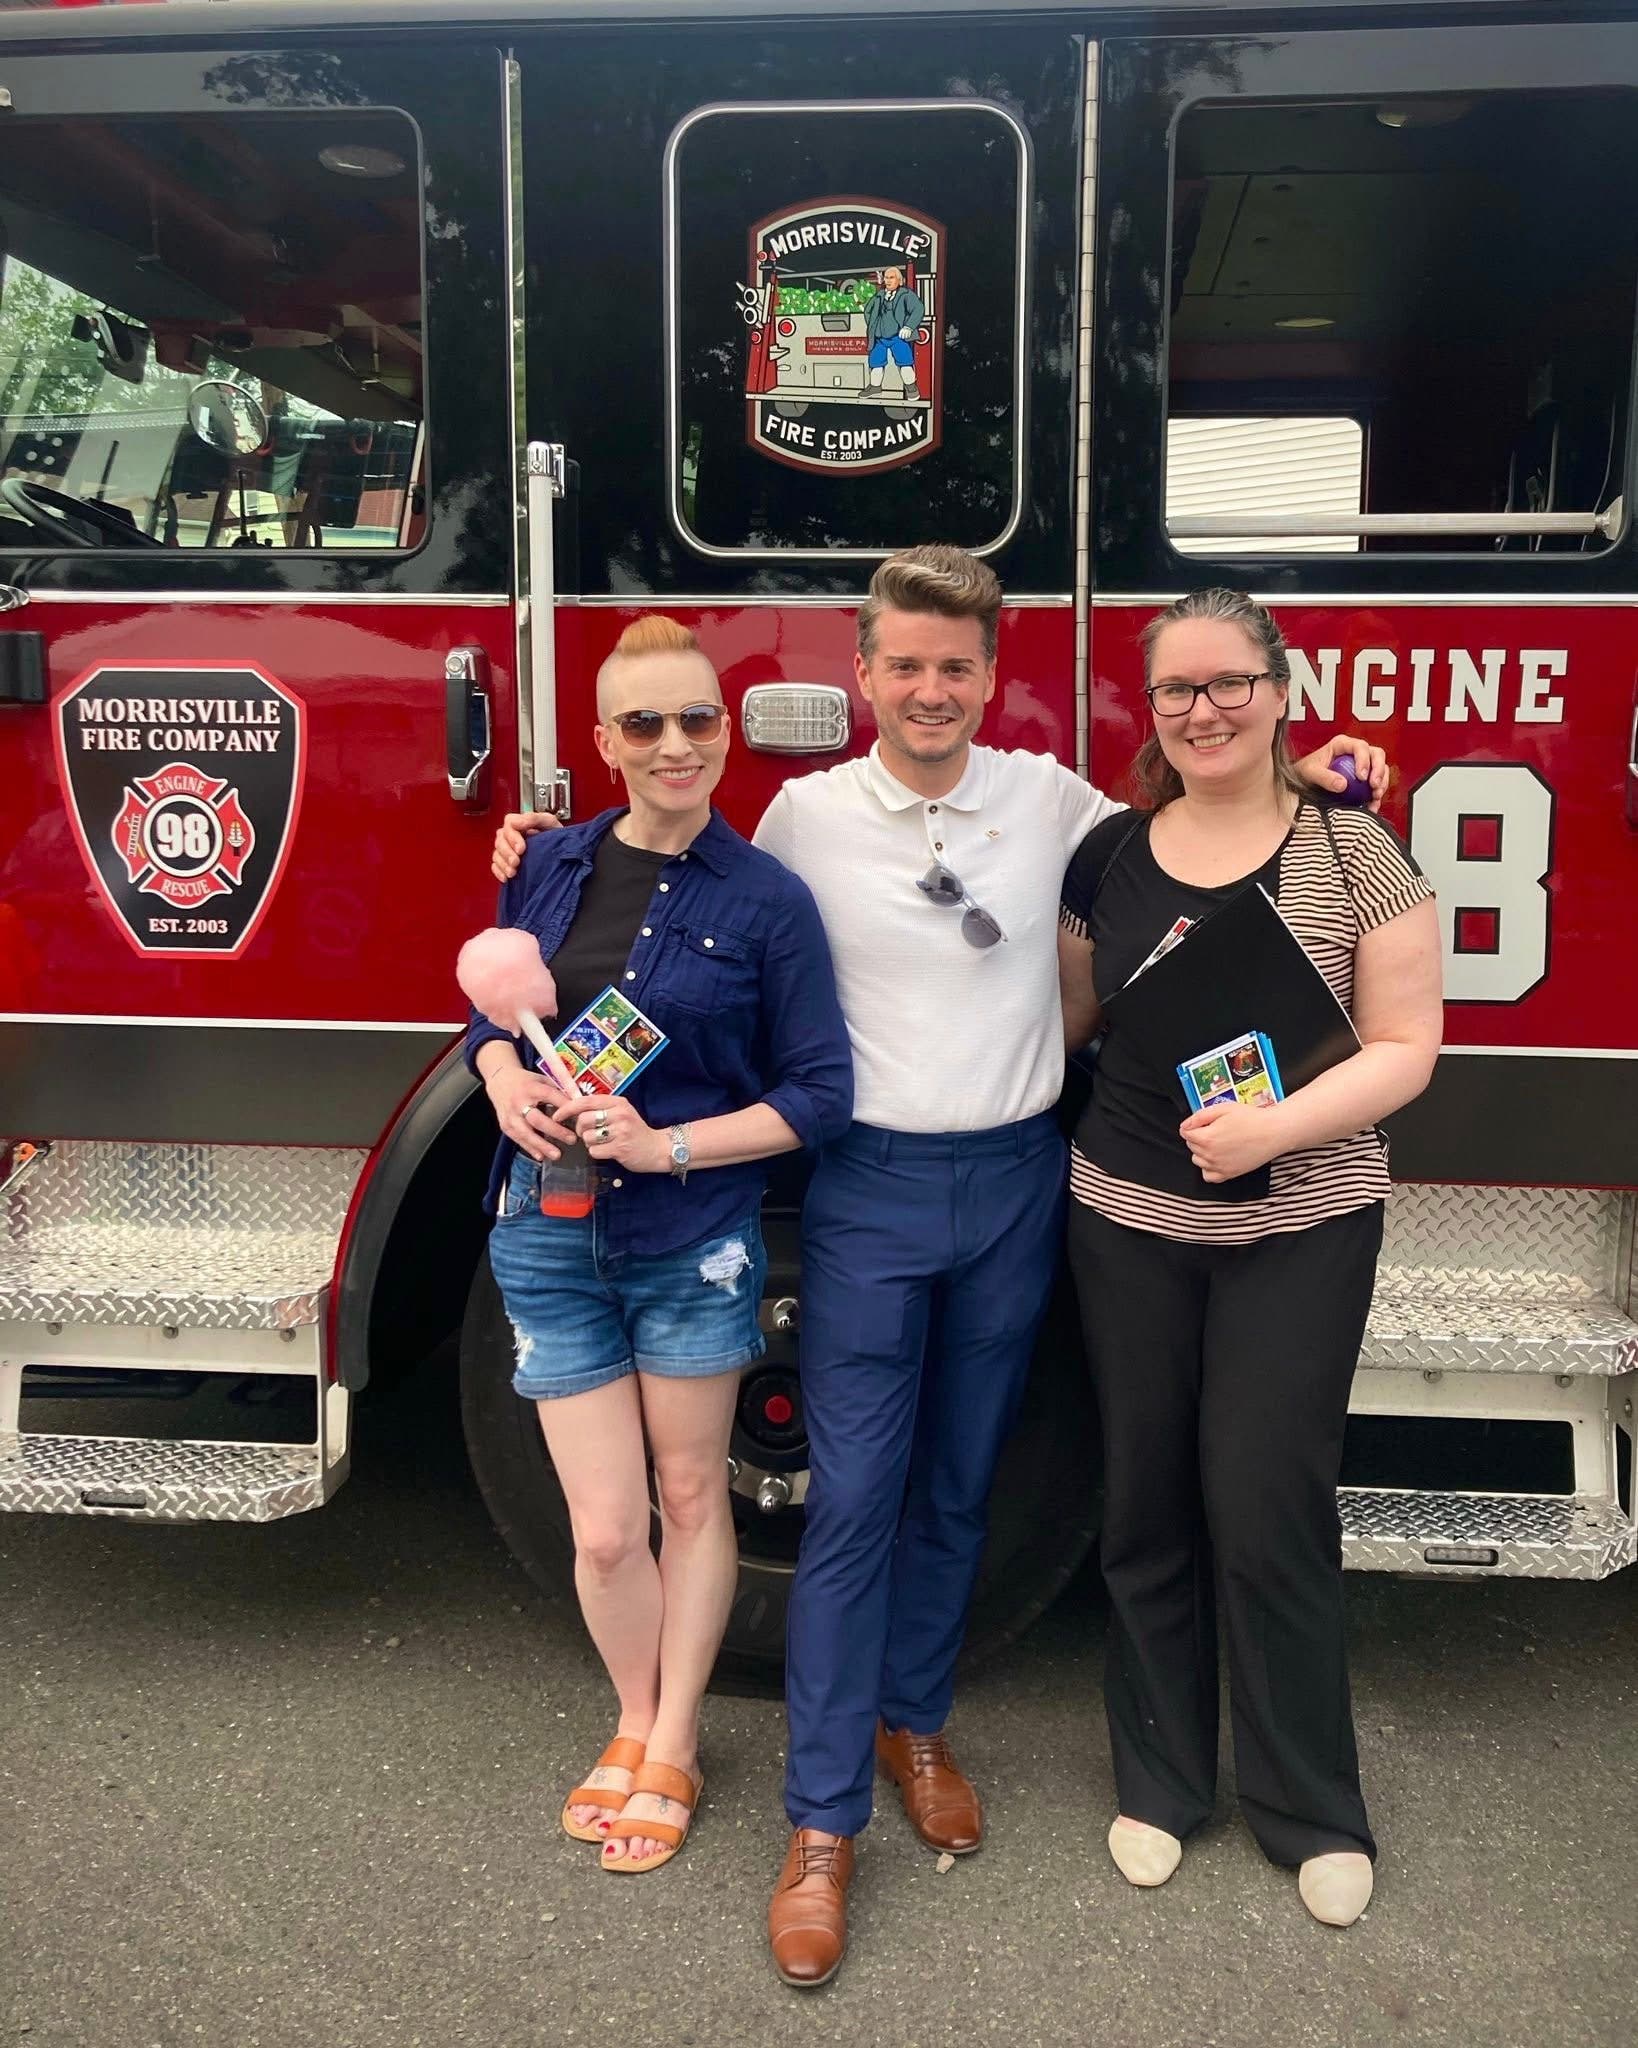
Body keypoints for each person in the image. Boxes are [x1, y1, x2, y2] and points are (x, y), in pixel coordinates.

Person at [490, 546, 1390, 1981]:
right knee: (855, 1500)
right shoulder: (803, 816)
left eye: (955, 666)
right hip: (870, 1189)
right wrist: (546, 847)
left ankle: (914, 1724)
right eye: (903, 663)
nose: (929, 689)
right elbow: (681, 867)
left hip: (1019, 1179)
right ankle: (819, 1821)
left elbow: (1202, 813)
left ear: (990, 678)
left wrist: (1328, 767)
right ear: (862, 674)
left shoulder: (1053, 801)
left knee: (964, 1484)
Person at [1056, 587, 1442, 1929]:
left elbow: (1407, 1044)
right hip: (1127, 1221)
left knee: (1269, 1501)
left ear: (1281, 691)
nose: (1205, 709)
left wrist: (1275, 1127)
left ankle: (1309, 1806)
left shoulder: (1355, 846)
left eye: (1231, 682)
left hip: (1301, 1224)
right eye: (1177, 688)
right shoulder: (1105, 856)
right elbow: (1077, 1021)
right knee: (1146, 1500)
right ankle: (1161, 1783)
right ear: (1150, 706)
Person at [466, 614, 851, 1876]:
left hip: (692, 1238)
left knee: (690, 1496)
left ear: (724, 731)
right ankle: (631, 1713)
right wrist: (497, 1080)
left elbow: (818, 1094)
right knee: (601, 1528)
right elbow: (488, 1015)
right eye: (645, 722)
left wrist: (668, 1143)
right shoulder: (549, 862)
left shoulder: (770, 901)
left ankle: (675, 1736)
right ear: (605, 741)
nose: (676, 742)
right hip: (546, 1231)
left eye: (697, 717)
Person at [864, 264, 924, 402]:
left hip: (898, 337)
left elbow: (918, 309)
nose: (888, 280)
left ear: (899, 280)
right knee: (876, 363)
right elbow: (868, 310)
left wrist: (908, 327)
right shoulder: (879, 295)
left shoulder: (906, 295)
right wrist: (873, 325)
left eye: (891, 277)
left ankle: (911, 388)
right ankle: (875, 387)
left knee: (905, 362)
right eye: (886, 277)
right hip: (879, 338)